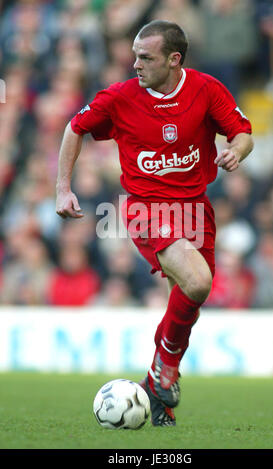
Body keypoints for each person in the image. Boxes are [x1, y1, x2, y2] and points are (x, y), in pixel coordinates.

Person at [55, 20, 254, 426]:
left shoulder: (206, 89)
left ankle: (156, 389)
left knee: (187, 302)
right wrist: (63, 187)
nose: (135, 64)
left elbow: (243, 133)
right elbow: (75, 127)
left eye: (145, 57)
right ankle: (164, 369)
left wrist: (236, 151)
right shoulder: (121, 96)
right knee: (198, 283)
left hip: (196, 210)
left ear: (173, 59)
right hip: (147, 209)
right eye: (134, 55)